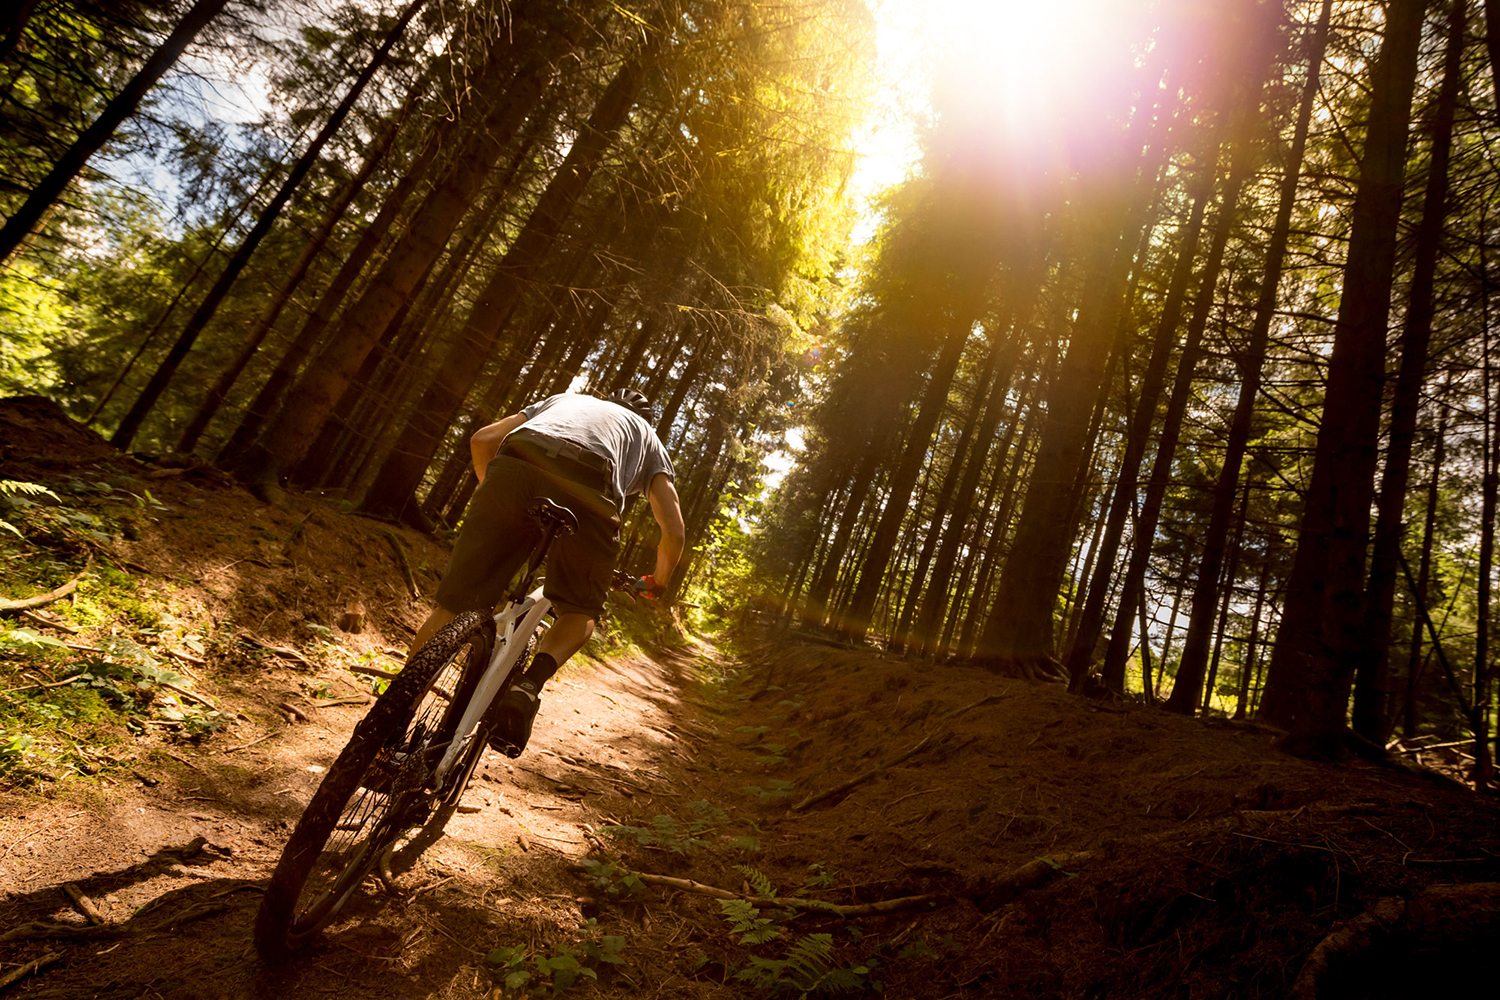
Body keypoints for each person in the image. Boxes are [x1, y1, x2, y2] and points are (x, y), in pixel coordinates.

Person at [408, 388, 685, 756]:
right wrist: (659, 581)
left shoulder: (564, 400)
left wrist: (496, 497)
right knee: (578, 611)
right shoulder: (646, 437)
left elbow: (483, 438)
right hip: (591, 490)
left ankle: (390, 721)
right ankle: (527, 686)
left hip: (516, 465)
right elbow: (673, 528)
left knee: (452, 607)